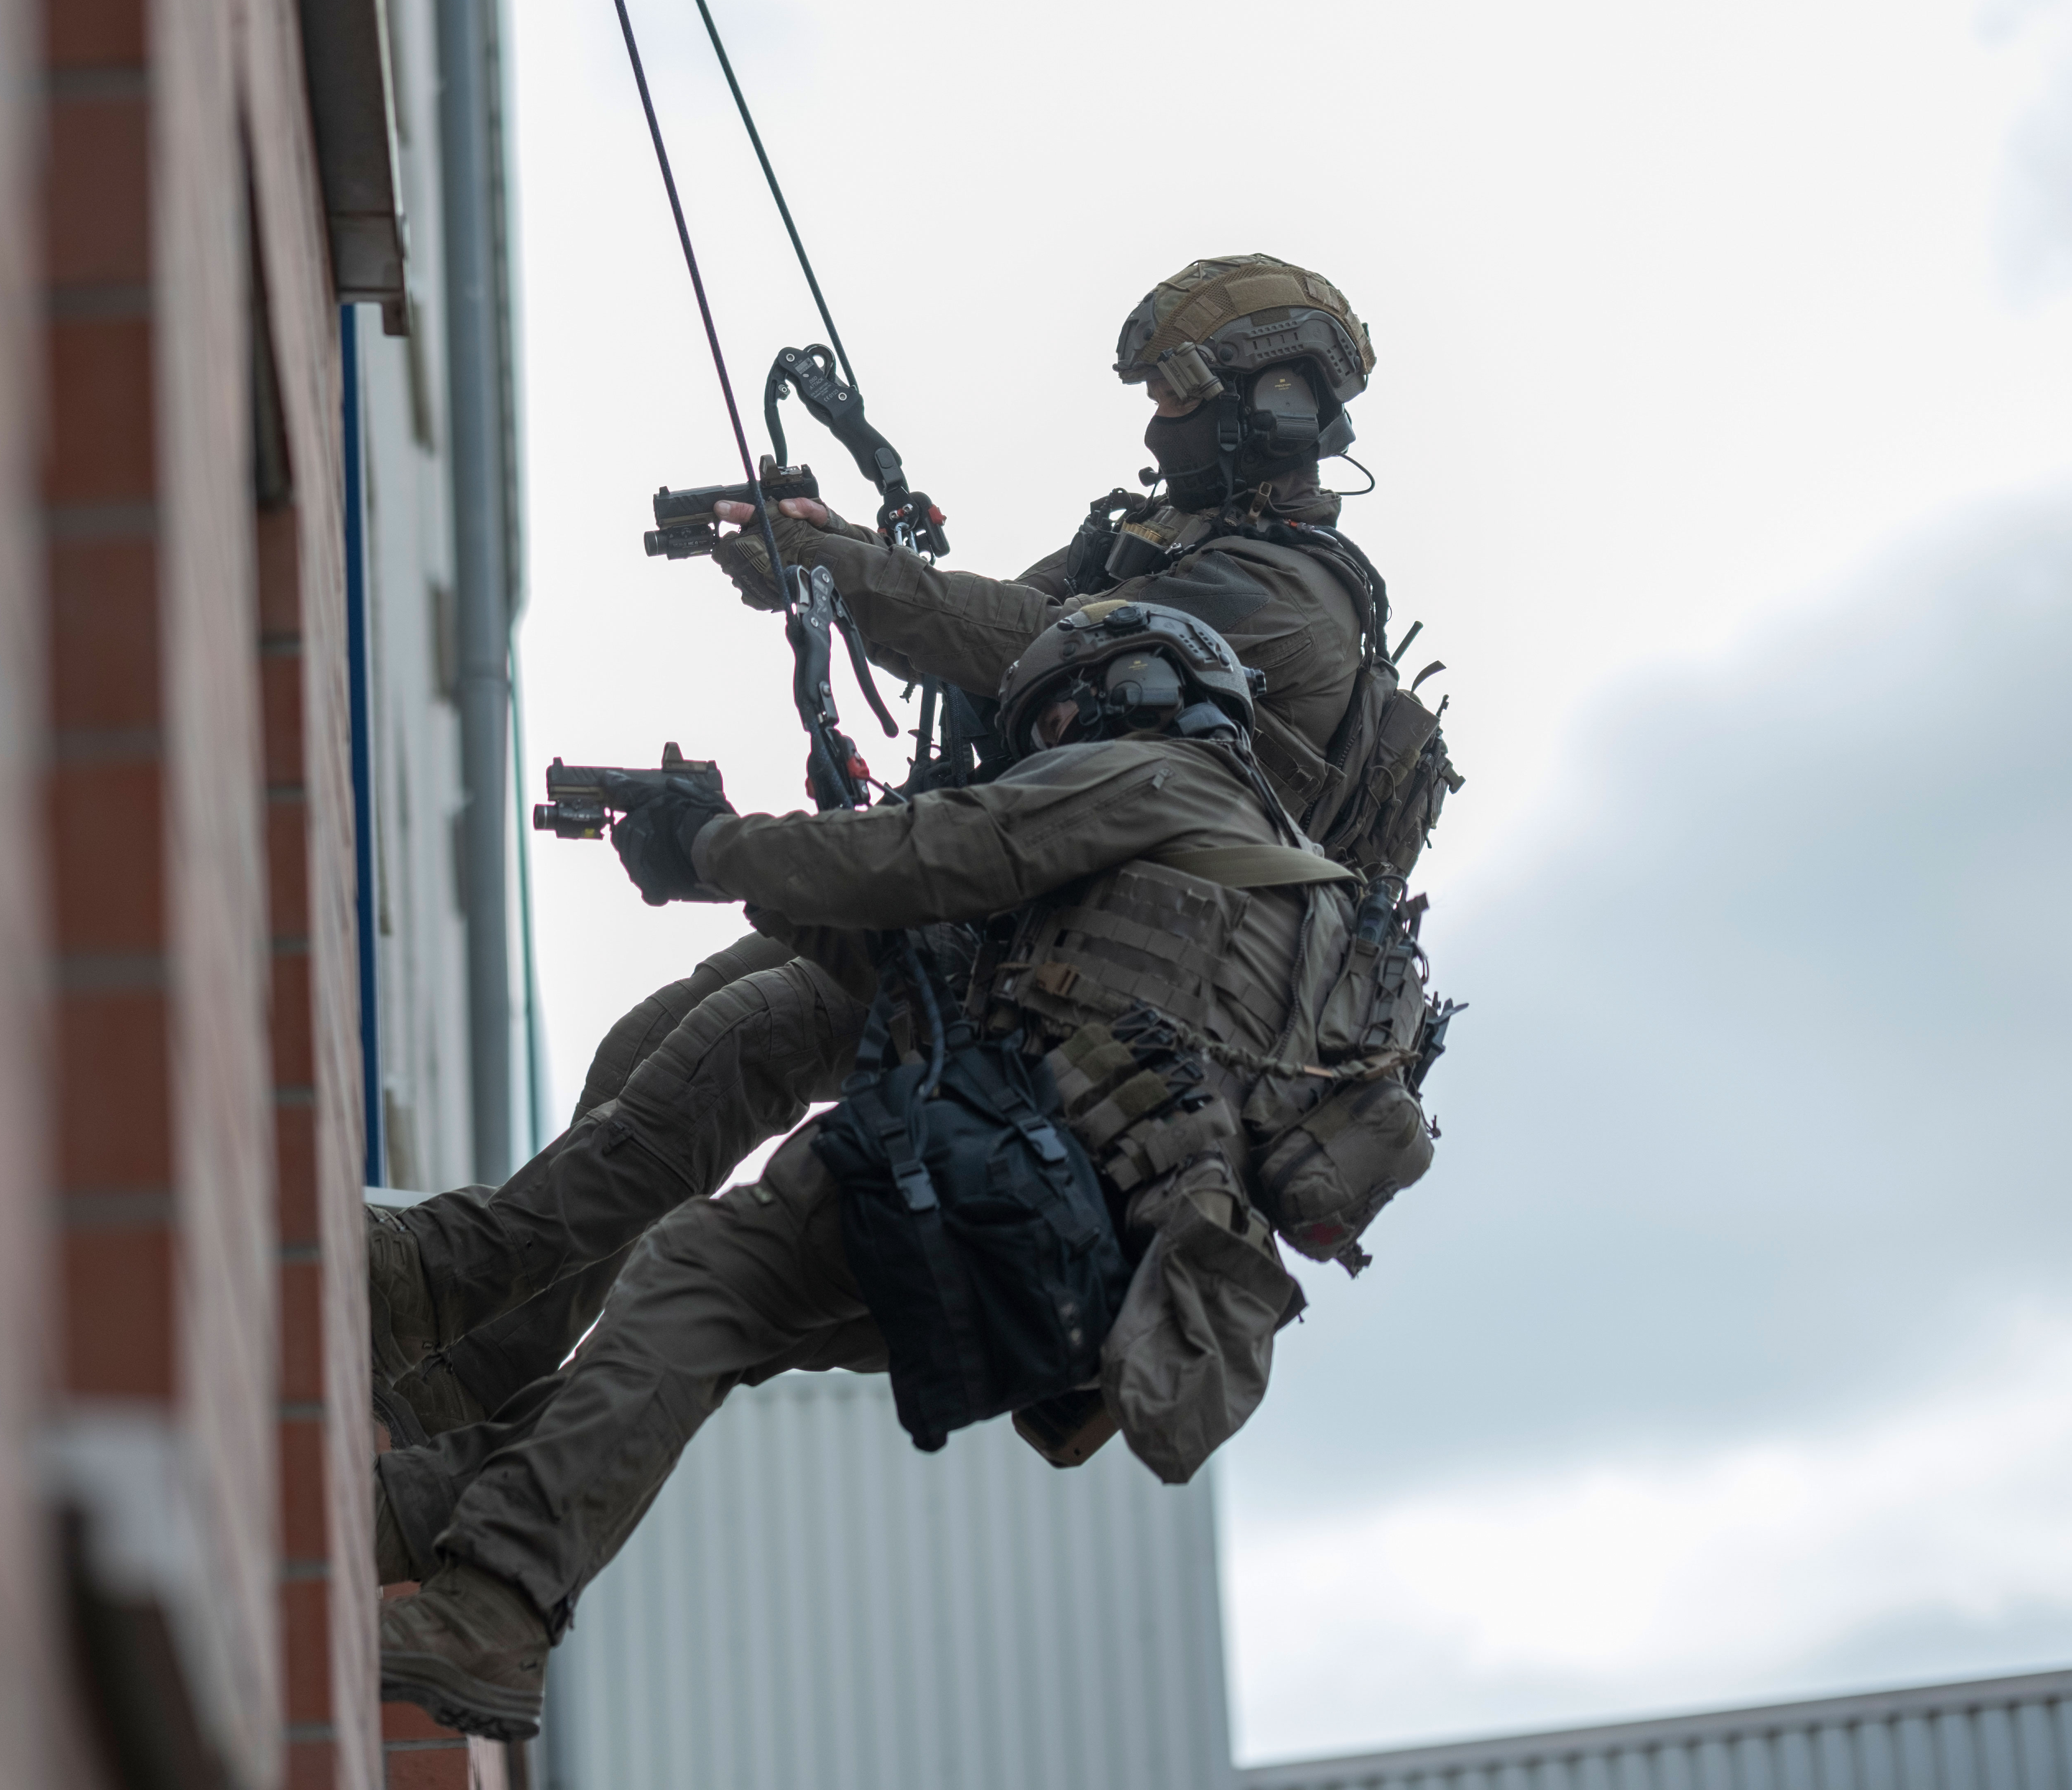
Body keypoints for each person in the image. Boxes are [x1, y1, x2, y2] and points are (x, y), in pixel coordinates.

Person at [369, 254, 1456, 1442]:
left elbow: (1028, 642)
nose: (1161, 422)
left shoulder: (1288, 599)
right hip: (1009, 920)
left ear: (1274, 408)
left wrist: (835, 569)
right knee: (660, 1044)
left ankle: (432, 1318)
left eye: (1181, 397)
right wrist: (826, 550)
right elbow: (987, 628)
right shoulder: (1168, 538)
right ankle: (473, 1363)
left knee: (732, 1057)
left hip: (1067, 987)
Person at [377, 604, 1452, 1740]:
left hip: (1003, 1176)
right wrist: (752, 879)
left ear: (1139, 694)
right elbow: (937, 979)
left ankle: (491, 1610)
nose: (1050, 744)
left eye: (1060, 714)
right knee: (703, 1337)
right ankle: (385, 1517)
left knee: (698, 1281)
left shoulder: (1161, 781)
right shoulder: (1273, 896)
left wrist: (715, 844)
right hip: (1092, 1280)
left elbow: (944, 850)